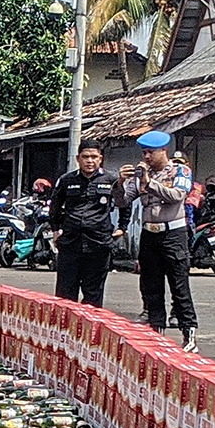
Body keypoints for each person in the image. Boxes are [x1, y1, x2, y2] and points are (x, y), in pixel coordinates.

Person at [117, 130, 199, 351]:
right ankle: (156, 330)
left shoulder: (180, 171)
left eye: (150, 153)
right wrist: (120, 183)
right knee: (150, 285)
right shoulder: (141, 173)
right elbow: (124, 201)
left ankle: (188, 331)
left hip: (173, 233)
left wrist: (149, 182)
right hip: (149, 233)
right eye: (144, 153)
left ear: (164, 151)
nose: (146, 157)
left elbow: (176, 196)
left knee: (179, 284)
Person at [49, 142, 121, 307]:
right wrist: (55, 230)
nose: (90, 161)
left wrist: (122, 227)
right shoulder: (66, 180)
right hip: (70, 243)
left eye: (94, 157)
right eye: (85, 157)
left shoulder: (111, 179)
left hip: (98, 243)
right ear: (78, 159)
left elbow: (124, 203)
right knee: (65, 295)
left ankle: (89, 331)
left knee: (93, 294)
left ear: (100, 159)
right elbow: (55, 207)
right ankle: (65, 331)